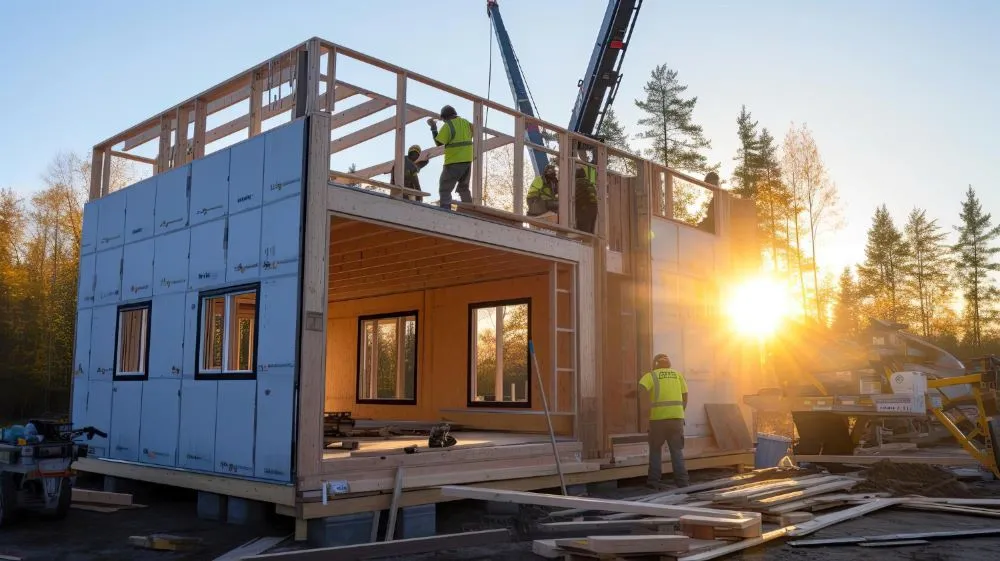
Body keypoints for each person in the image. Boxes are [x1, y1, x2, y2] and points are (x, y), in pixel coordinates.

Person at [637, 353, 689, 489]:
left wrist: (644, 412)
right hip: (676, 420)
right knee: (676, 451)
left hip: (658, 420)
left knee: (655, 450)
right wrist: (680, 412)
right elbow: (685, 396)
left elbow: (640, 390)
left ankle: (653, 482)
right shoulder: (678, 375)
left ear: (655, 364)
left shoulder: (651, 375)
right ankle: (682, 483)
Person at [428, 105, 474, 208]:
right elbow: (473, 133)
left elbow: (438, 142)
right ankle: (470, 210)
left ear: (444, 117)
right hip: (467, 160)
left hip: (454, 161)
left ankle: (446, 211)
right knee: (463, 187)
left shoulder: (449, 125)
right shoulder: (466, 123)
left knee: (445, 187)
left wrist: (433, 127)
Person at [574, 167, 597, 234]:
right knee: (590, 231)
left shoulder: (578, 182)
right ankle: (590, 244)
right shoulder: (589, 183)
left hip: (584, 208)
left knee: (583, 232)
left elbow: (577, 196)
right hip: (594, 208)